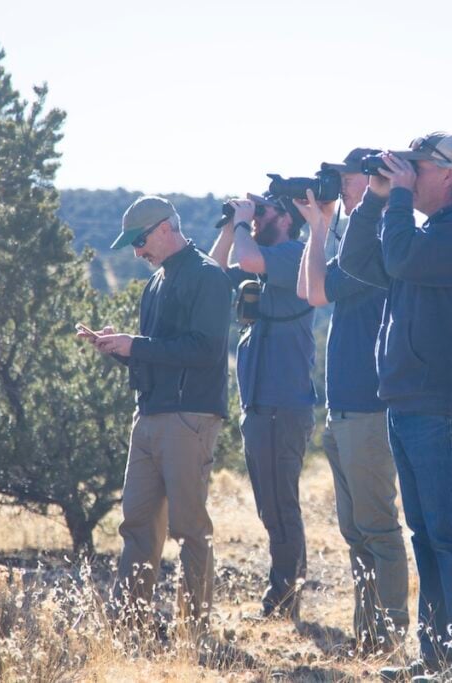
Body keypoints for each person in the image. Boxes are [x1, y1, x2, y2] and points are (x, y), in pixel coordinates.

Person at [337, 133, 452, 679]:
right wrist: (378, 198)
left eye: (418, 167)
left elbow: (401, 256)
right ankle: (437, 661)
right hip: (409, 402)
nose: (409, 174)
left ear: (450, 175)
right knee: (427, 538)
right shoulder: (425, 231)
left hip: (441, 404)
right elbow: (359, 262)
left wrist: (398, 199)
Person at [79, 196, 232, 632]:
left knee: (189, 530)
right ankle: (129, 630)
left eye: (140, 241)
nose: (137, 252)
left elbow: (205, 350)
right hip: (147, 417)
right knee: (138, 527)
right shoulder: (157, 282)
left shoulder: (208, 277)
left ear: (166, 228)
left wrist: (136, 345)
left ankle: (192, 633)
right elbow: (158, 354)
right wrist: (119, 348)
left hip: (188, 418)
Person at [292, 148, 409, 652]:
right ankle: (370, 635)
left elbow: (315, 292)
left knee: (377, 529)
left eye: (345, 178)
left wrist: (322, 229)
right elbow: (308, 287)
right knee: (356, 532)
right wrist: (318, 229)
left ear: (374, 179)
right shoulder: (359, 239)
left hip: (367, 406)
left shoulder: (378, 241)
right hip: (344, 410)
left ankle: (389, 638)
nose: (338, 186)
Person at [210, 190, 314, 621]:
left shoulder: (294, 253)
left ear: (287, 219)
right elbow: (213, 272)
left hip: (282, 402)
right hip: (260, 405)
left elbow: (250, 260)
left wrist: (241, 226)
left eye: (263, 212)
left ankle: (285, 599)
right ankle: (285, 593)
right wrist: (231, 224)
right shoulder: (263, 259)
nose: (255, 219)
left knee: (280, 504)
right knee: (270, 505)